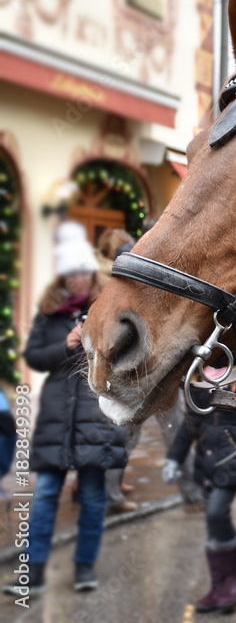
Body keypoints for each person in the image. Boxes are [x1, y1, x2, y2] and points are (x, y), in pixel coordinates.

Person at [3, 221, 128, 595]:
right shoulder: (50, 311)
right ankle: (34, 572)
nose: (75, 279)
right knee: (44, 496)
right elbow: (34, 357)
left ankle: (85, 569)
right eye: (68, 273)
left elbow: (125, 357)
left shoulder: (109, 306)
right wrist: (68, 346)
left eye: (80, 272)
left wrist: (95, 342)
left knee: (92, 497)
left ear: (90, 272)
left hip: (96, 415)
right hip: (57, 416)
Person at [162, 356, 236, 613]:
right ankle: (221, 584)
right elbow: (190, 425)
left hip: (234, 459)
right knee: (213, 524)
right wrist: (174, 460)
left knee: (216, 512)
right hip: (207, 460)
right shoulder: (199, 377)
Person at [95, 228, 140, 515]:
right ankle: (111, 493)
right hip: (120, 372)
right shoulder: (114, 287)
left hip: (118, 370)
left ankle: (110, 484)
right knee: (120, 436)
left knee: (118, 435)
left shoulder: (106, 283)